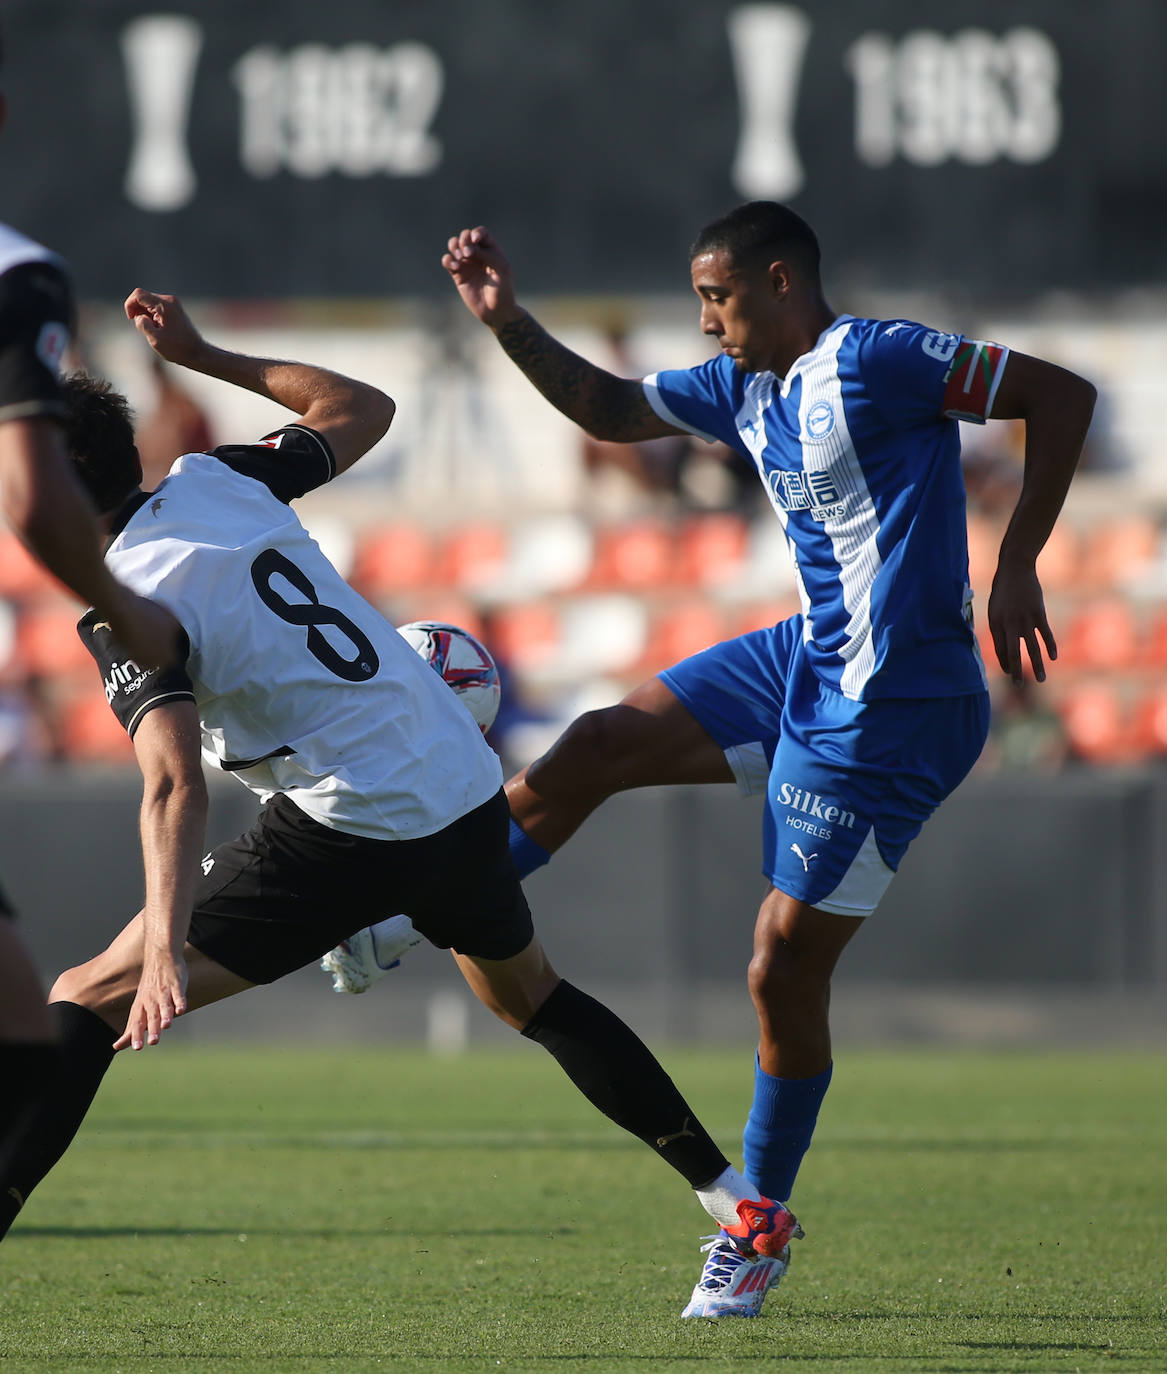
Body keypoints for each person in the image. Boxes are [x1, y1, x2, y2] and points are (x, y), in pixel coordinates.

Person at [325, 201, 1097, 1317]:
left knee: (779, 969)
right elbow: (606, 407)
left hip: (898, 705)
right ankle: (402, 912)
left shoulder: (877, 359)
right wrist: (505, 320)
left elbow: (1060, 394)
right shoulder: (746, 388)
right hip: (807, 659)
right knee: (597, 743)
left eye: (718, 299)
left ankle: (756, 1226)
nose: (704, 324)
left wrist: (1020, 559)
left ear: (781, 282)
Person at [0, 287, 801, 1280]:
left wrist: (161, 948)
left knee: (88, 995)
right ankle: (733, 1199)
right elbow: (363, 407)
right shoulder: (217, 481)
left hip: (353, 817)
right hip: (459, 780)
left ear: (62, 490)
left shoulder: (127, 598)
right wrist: (208, 354)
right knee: (534, 999)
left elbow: (171, 785)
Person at [0, 30, 177, 1196]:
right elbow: (33, 496)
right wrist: (125, 610)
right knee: (23, 1041)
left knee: (31, 1029)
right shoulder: (18, 276)